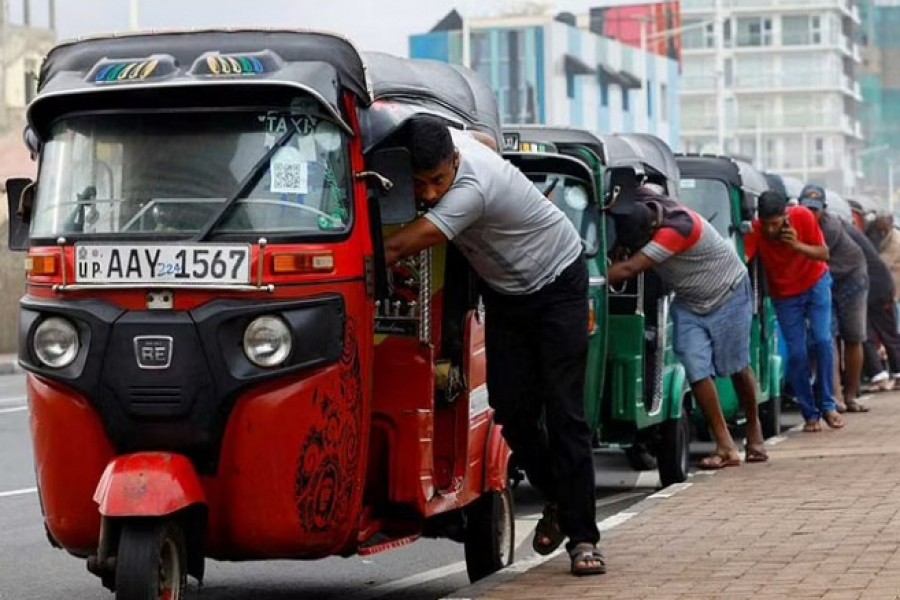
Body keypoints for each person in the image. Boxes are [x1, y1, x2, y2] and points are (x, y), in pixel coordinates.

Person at [383, 115, 604, 576]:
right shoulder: (457, 141)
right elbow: (484, 137)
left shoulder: (471, 189)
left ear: (456, 162)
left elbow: (403, 244)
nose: (427, 194)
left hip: (558, 281)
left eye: (437, 181)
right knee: (511, 409)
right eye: (418, 184)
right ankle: (562, 500)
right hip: (507, 292)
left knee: (564, 411)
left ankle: (584, 539)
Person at [607, 188, 768, 469]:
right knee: (696, 370)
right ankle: (725, 445)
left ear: (652, 229)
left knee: (737, 367)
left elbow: (631, 269)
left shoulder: (677, 230)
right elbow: (630, 190)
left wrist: (584, 277)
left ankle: (754, 430)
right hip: (690, 301)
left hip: (728, 293)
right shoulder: (648, 204)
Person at [744, 191, 845, 432]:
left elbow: (824, 254)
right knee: (797, 354)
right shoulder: (757, 230)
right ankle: (810, 413)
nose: (770, 230)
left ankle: (828, 405)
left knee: (822, 340)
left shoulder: (802, 216)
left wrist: (796, 245)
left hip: (815, 283)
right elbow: (744, 258)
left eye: (775, 224)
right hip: (785, 296)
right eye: (766, 224)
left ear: (785, 216)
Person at [797, 185, 868, 411]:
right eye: (806, 208)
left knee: (853, 336)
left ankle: (850, 395)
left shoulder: (830, 227)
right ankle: (835, 396)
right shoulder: (794, 224)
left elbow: (809, 257)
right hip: (823, 279)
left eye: (815, 210)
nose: (810, 214)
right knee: (828, 336)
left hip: (851, 277)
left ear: (824, 210)